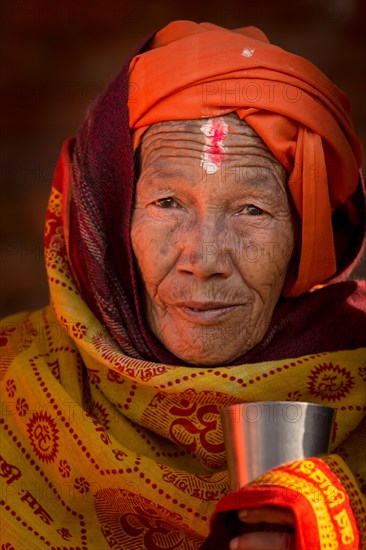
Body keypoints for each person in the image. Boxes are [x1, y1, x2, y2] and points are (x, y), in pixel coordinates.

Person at [1, 20, 365, 550]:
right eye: (167, 203)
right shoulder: (13, 380)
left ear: (306, 237)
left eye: (251, 209)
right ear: (111, 216)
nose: (205, 259)